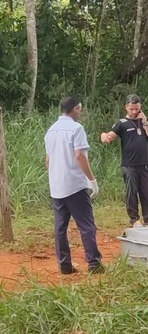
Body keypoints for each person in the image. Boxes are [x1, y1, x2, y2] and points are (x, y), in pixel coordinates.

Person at [44, 96, 104, 274]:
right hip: (75, 185)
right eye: (80, 109)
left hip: (57, 186)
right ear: (75, 109)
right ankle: (93, 263)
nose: (81, 112)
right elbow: (79, 156)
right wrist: (91, 180)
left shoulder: (51, 130)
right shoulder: (76, 129)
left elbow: (48, 161)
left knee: (60, 227)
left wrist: (55, 176)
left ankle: (64, 265)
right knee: (86, 225)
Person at [100, 94, 148, 228]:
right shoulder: (122, 123)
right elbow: (109, 137)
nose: (134, 112)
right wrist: (104, 136)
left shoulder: (144, 121)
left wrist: (145, 123)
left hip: (144, 163)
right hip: (129, 165)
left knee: (147, 192)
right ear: (126, 108)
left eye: (136, 109)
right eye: (131, 109)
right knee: (131, 192)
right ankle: (134, 219)